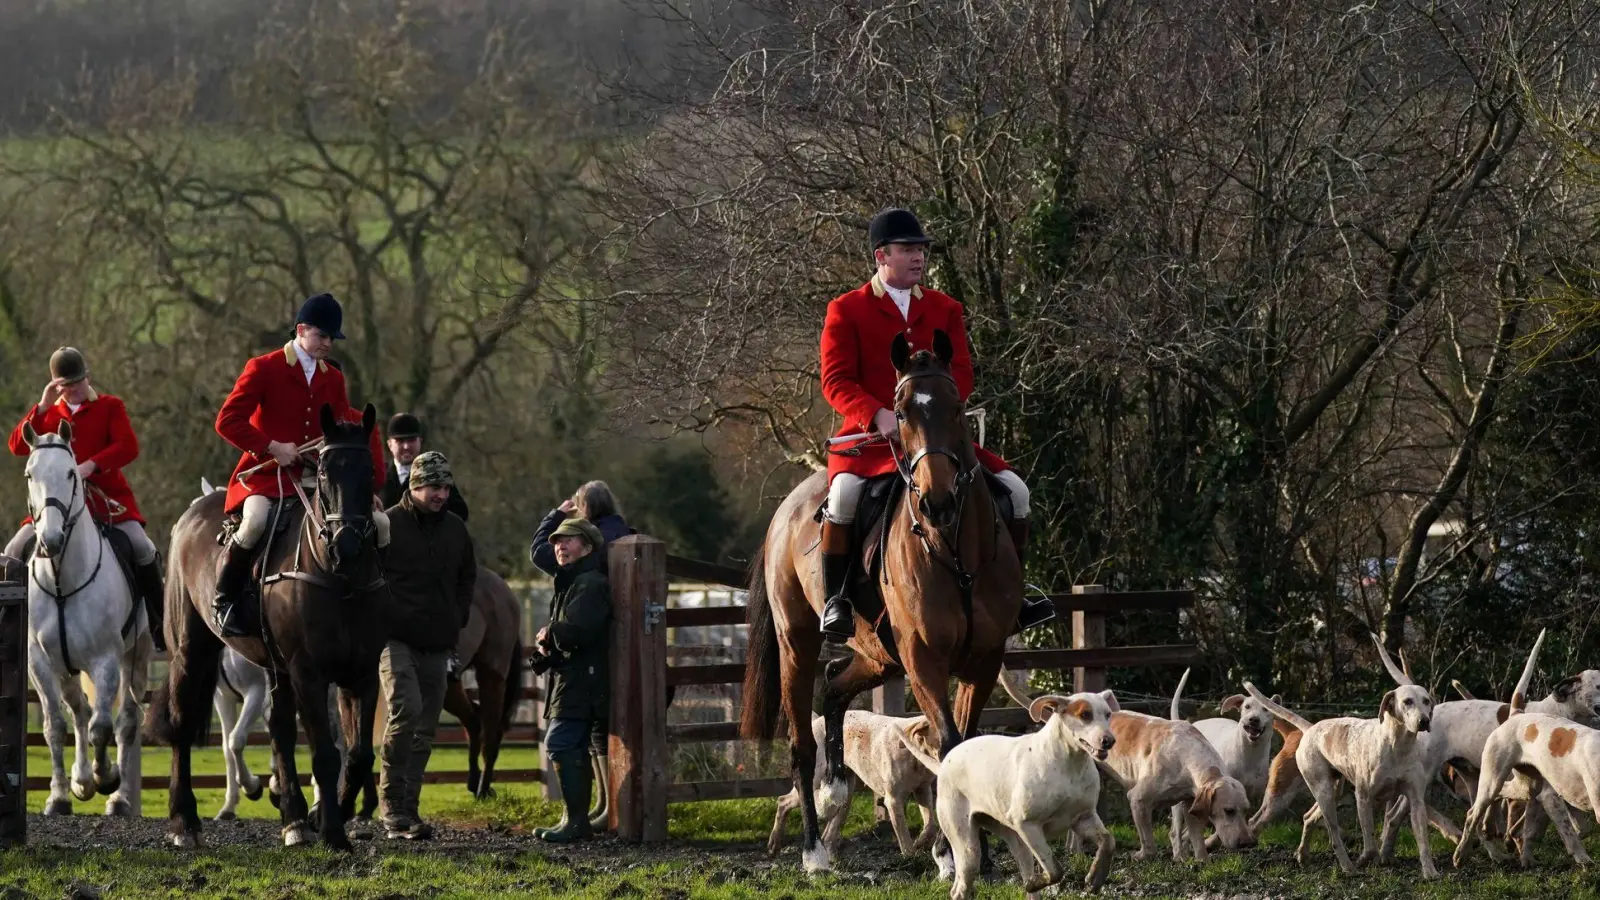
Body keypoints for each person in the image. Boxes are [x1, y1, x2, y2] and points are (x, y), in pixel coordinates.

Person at [817, 207, 1054, 642]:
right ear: (881, 256)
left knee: (1017, 492)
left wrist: (940, 409)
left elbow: (961, 371)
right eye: (908, 250)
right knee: (844, 496)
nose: (918, 257)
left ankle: (1013, 597)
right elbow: (835, 380)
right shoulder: (846, 310)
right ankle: (838, 599)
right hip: (872, 442)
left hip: (938, 439)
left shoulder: (945, 308)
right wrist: (877, 413)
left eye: (921, 250)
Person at [212, 292, 389, 637]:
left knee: (376, 523)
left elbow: (338, 432)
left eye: (332, 339)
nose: (328, 344)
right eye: (322, 336)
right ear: (301, 329)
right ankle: (226, 598)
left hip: (313, 476)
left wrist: (360, 491)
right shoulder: (263, 368)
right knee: (254, 523)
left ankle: (376, 596)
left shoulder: (333, 379)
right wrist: (271, 446)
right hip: (265, 476)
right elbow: (227, 420)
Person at [3, 347, 168, 650]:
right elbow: (16, 446)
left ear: (88, 377)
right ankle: (9, 631)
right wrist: (41, 406)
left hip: (107, 501)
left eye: (78, 381)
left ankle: (161, 626)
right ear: (56, 386)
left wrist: (91, 465)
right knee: (12, 551)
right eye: (66, 385)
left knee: (143, 547)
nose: (73, 389)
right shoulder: (49, 415)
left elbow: (128, 447)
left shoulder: (110, 406)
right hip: (56, 508)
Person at [378, 451, 476, 840]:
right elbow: (368, 574)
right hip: (395, 637)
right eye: (435, 486)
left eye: (447, 487)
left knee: (426, 728)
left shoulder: (455, 529)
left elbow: (467, 577)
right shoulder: (389, 524)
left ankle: (409, 811)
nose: (442, 494)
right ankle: (390, 806)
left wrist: (459, 615)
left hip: (439, 641)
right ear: (415, 486)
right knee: (405, 711)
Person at [534, 517, 611, 843]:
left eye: (568, 540)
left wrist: (550, 632)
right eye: (556, 541)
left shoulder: (590, 583)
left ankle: (576, 822)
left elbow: (579, 632)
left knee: (560, 743)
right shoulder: (571, 582)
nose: (559, 546)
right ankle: (573, 818)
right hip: (573, 678)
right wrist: (547, 651)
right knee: (573, 747)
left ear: (588, 546)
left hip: (583, 682)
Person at [529, 480, 631, 576]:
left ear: (584, 506)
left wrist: (556, 515)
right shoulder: (628, 534)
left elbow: (539, 553)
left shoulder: (586, 543)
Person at [380, 412, 468, 520]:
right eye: (400, 441)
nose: (406, 446)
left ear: (420, 441)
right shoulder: (378, 475)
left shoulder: (436, 470)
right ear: (389, 444)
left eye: (411, 440)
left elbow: (460, 514)